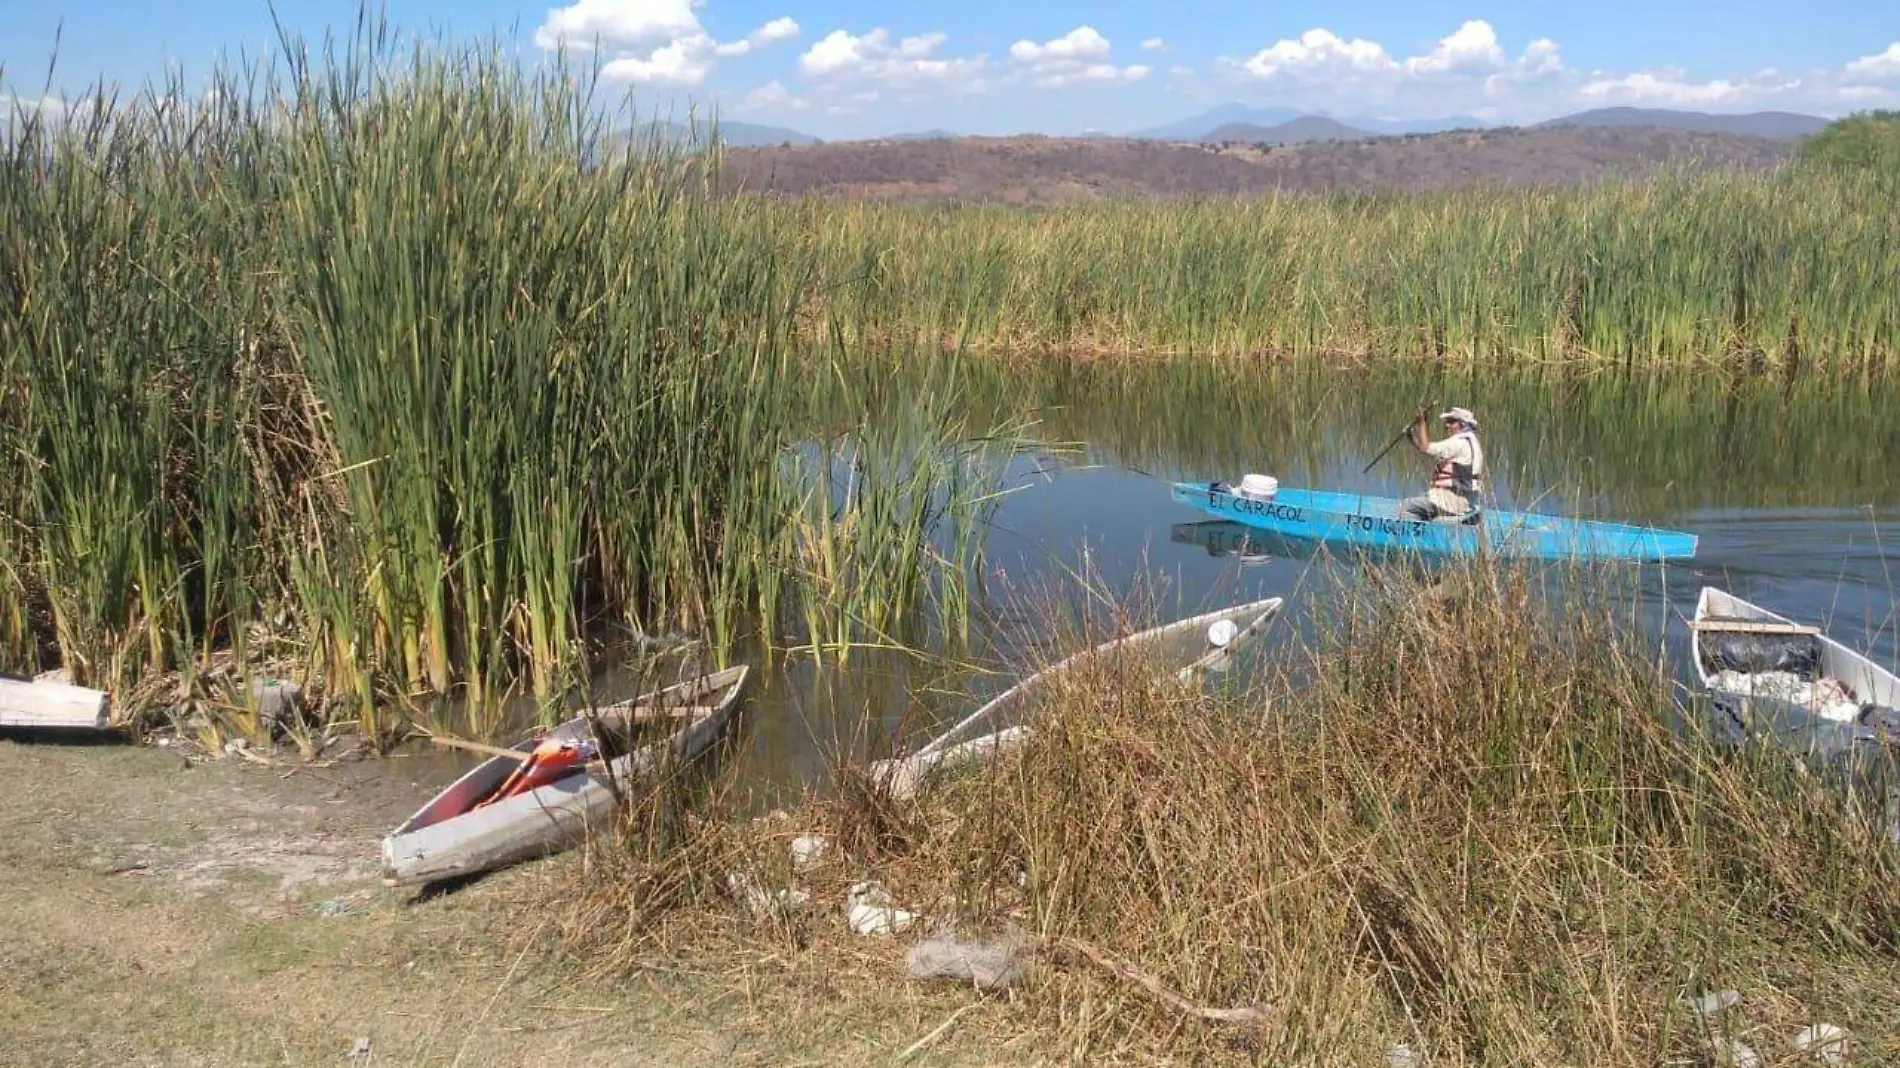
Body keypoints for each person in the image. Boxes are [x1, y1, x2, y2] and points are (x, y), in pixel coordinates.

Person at [1398, 406, 1485, 522]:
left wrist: (1422, 422)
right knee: (1423, 501)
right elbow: (1427, 449)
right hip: (1463, 499)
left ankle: (1413, 537)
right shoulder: (1471, 442)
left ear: (1463, 424)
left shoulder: (1458, 443)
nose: (1447, 425)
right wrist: (1411, 437)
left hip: (1452, 501)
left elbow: (1426, 448)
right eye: (1447, 422)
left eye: (1452, 422)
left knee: (1406, 507)